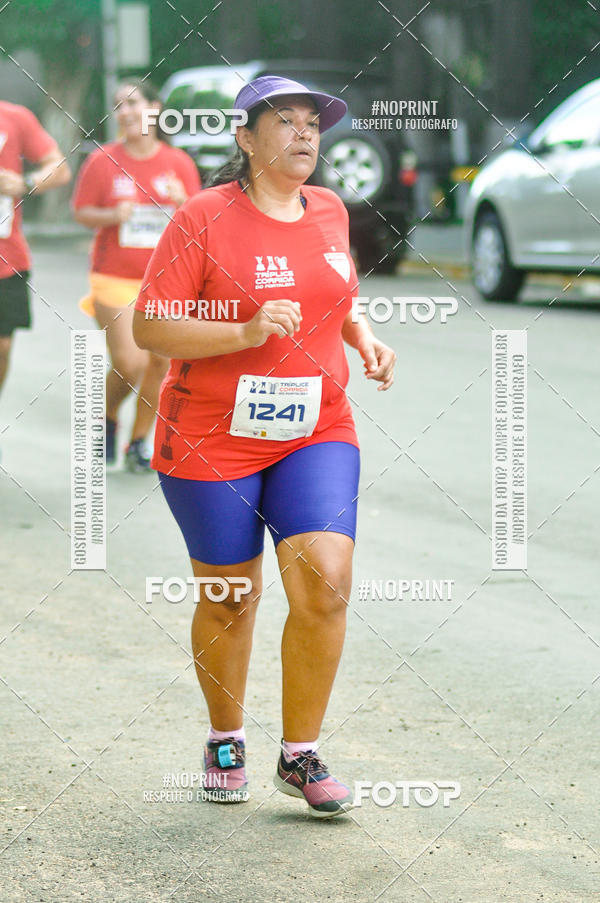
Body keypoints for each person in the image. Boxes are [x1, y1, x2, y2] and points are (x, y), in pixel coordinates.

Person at [132, 76, 396, 818]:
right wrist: (244, 333)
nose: (306, 135)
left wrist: (363, 335)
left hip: (316, 427)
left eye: (314, 123)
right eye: (286, 122)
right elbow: (150, 327)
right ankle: (225, 736)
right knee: (231, 596)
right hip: (213, 435)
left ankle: (300, 753)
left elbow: (334, 294)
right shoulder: (202, 217)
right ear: (246, 139)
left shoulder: (332, 210)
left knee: (325, 578)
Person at [72, 80, 201, 471]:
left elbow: (199, 222)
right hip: (113, 278)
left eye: (133, 103)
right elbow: (81, 211)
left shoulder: (178, 163)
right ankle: (107, 418)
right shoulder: (102, 161)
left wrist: (182, 202)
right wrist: (113, 215)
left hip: (166, 282)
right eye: (118, 106)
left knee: (161, 364)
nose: (125, 112)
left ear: (155, 108)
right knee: (131, 363)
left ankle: (140, 442)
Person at [0, 101, 71, 403]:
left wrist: (25, 182)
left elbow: (60, 168)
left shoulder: (14, 117)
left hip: (6, 260)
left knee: (2, 347)